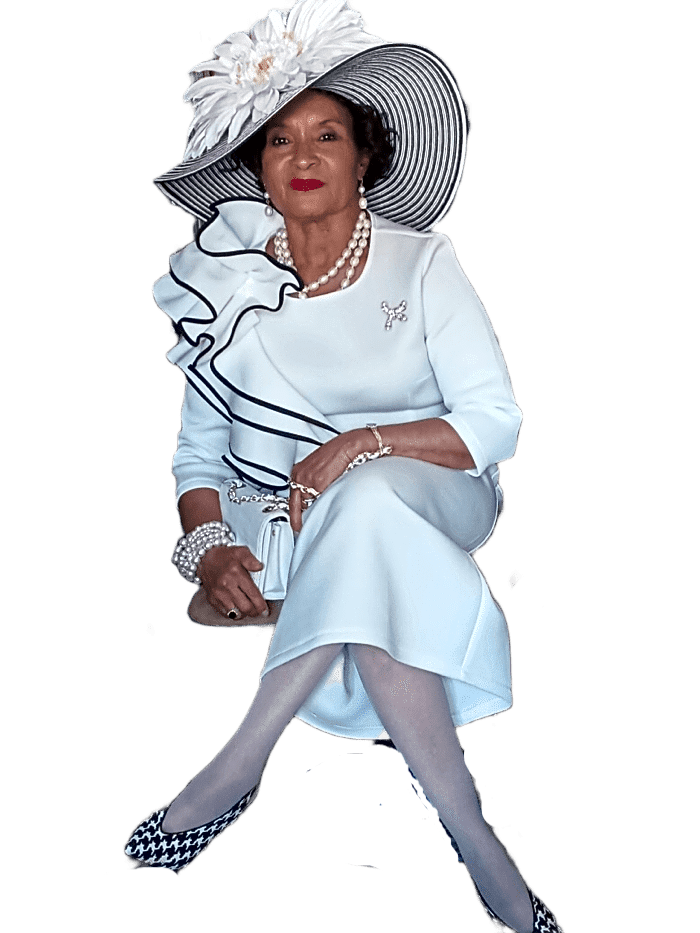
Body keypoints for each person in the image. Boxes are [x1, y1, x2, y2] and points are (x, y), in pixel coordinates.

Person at [123, 3, 566, 930]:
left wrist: (363, 441)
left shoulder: (421, 262)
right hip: (294, 525)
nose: (303, 155)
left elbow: (493, 424)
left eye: (327, 134)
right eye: (279, 139)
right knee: (363, 538)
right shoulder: (229, 280)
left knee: (364, 497)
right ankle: (482, 849)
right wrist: (210, 548)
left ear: (367, 155)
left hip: (441, 490)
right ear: (258, 166)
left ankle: (234, 765)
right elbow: (197, 454)